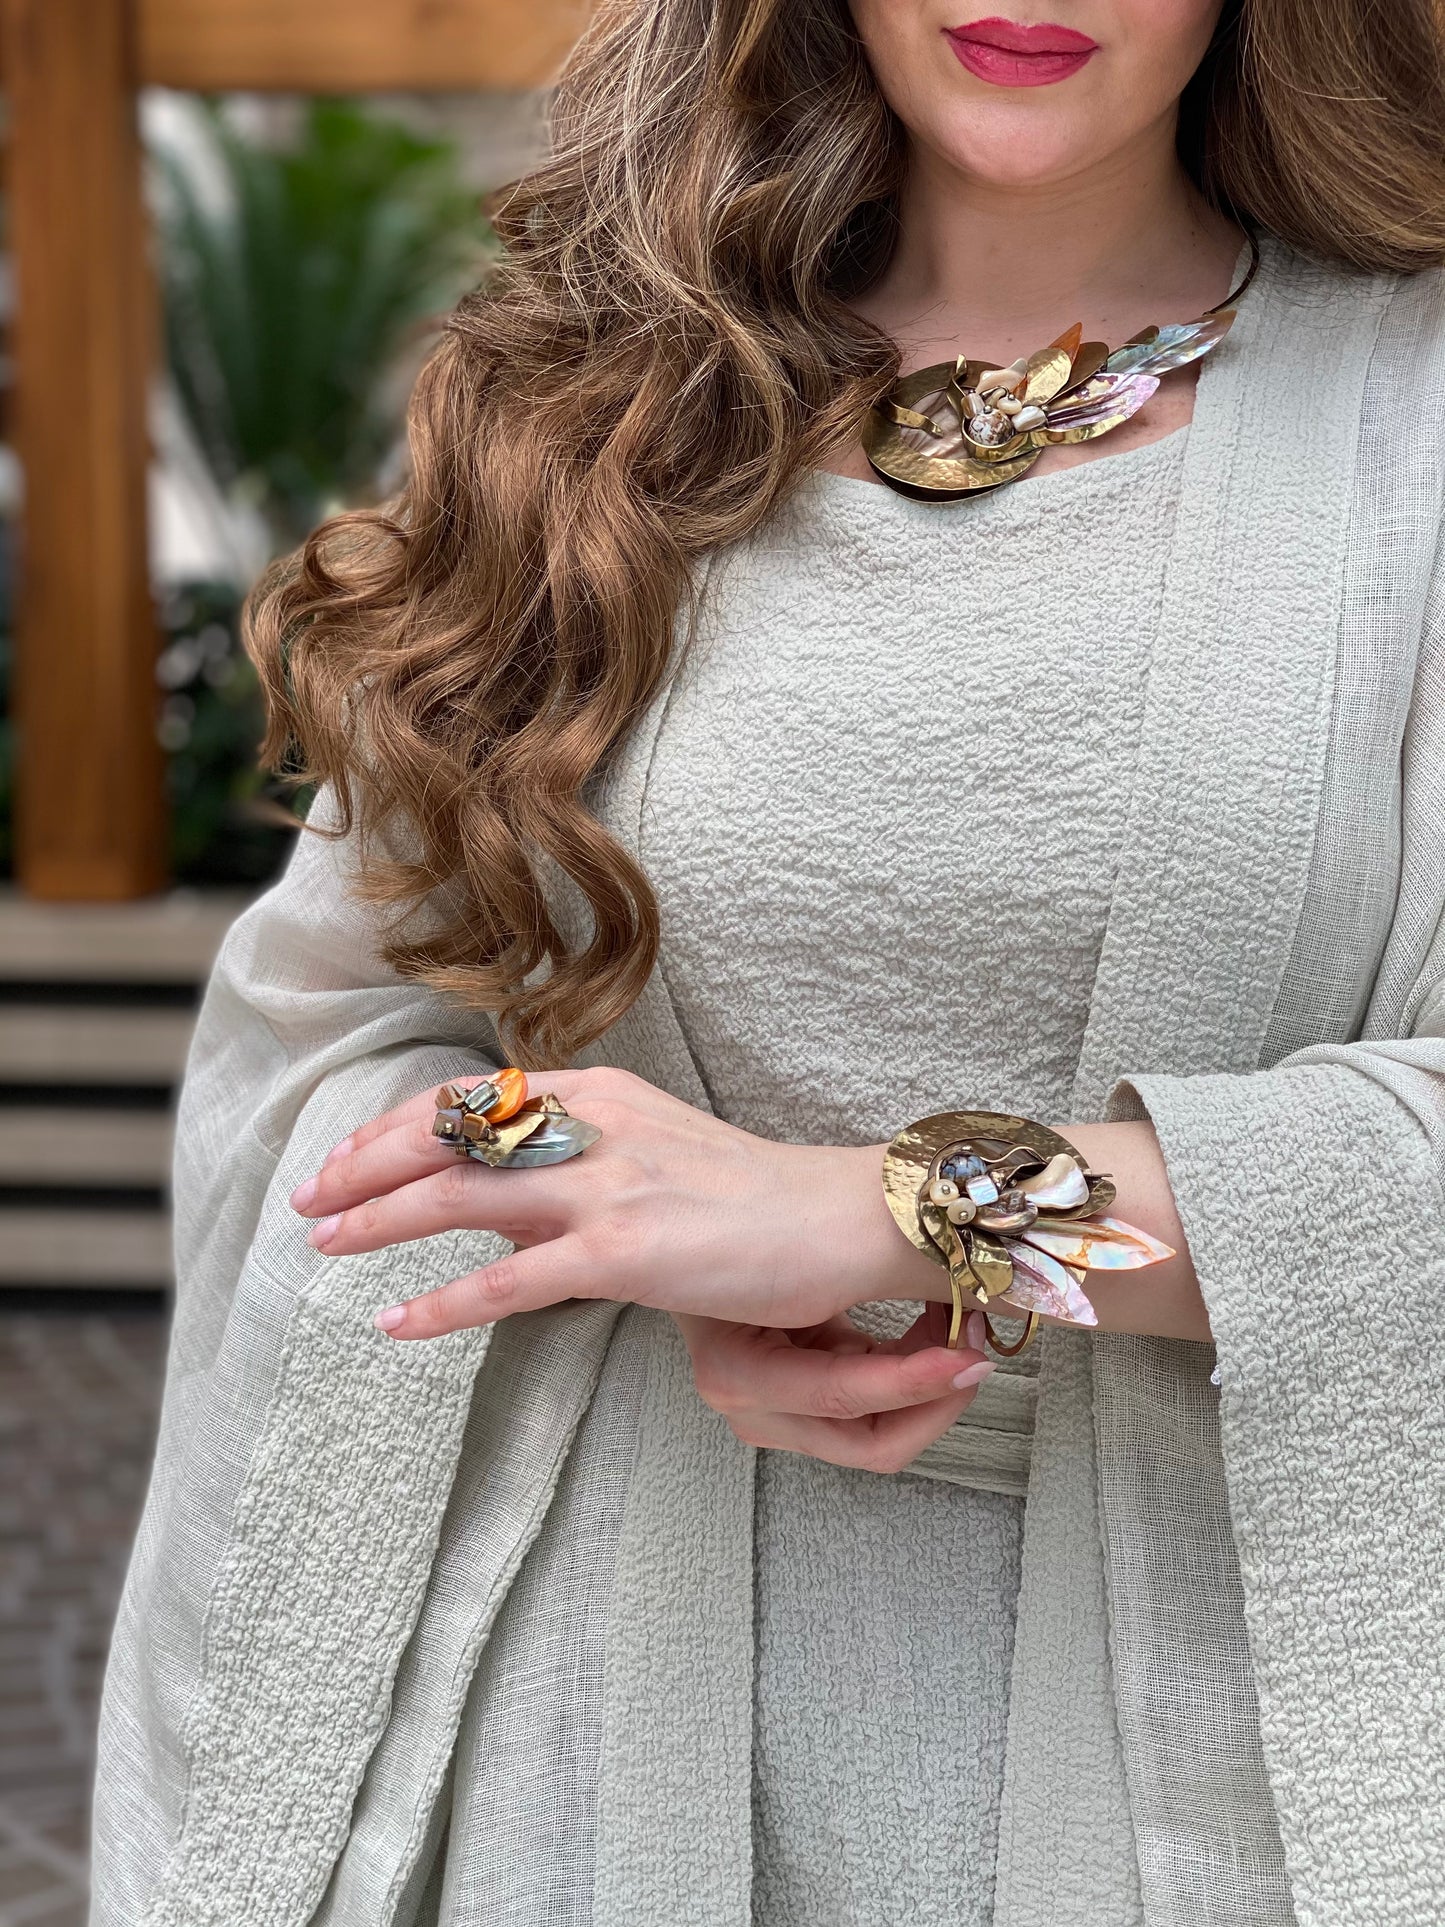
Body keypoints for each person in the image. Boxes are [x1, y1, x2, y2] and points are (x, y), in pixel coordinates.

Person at [93, 1, 1445, 1922]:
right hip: (577, 1763)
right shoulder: (585, 419)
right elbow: (349, 1027)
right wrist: (583, 1206)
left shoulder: (1418, 444)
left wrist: (890, 1218)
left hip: (1223, 1791)